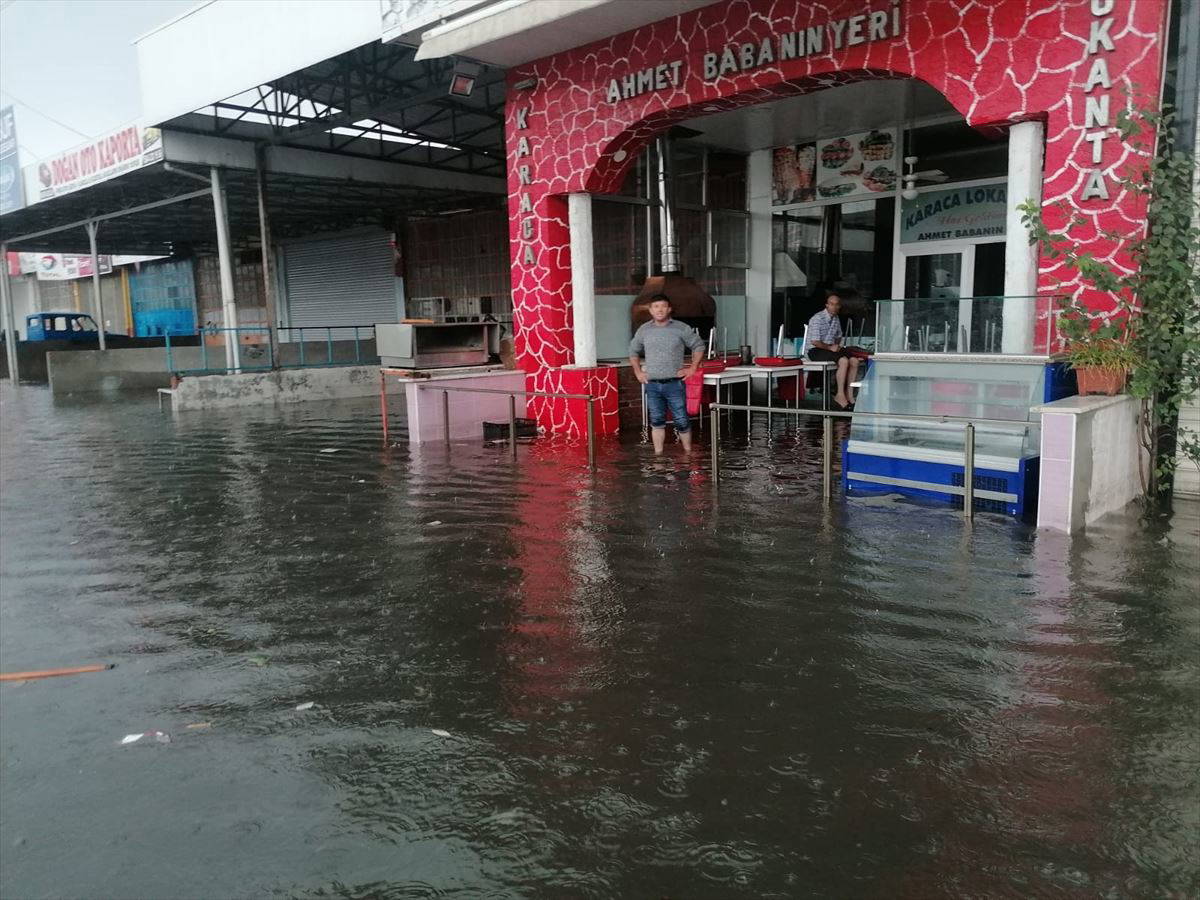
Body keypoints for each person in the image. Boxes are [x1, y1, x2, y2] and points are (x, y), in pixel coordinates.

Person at [629, 294, 706, 454]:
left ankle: (688, 453)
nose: (660, 310)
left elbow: (698, 345)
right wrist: (637, 372)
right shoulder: (644, 329)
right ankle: (658, 456)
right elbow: (633, 351)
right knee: (656, 420)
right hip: (652, 384)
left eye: (663, 306)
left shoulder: (680, 328)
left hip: (675, 383)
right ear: (650, 310)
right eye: (656, 306)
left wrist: (692, 368)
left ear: (669, 309)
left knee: (681, 420)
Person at [806, 289, 860, 409]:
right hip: (815, 350)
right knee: (843, 361)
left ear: (839, 306)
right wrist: (830, 347)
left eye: (837, 304)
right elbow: (815, 342)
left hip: (828, 348)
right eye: (831, 304)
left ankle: (849, 396)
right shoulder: (817, 318)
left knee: (854, 361)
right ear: (827, 305)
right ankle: (839, 395)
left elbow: (838, 335)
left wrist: (835, 346)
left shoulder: (835, 319)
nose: (834, 307)